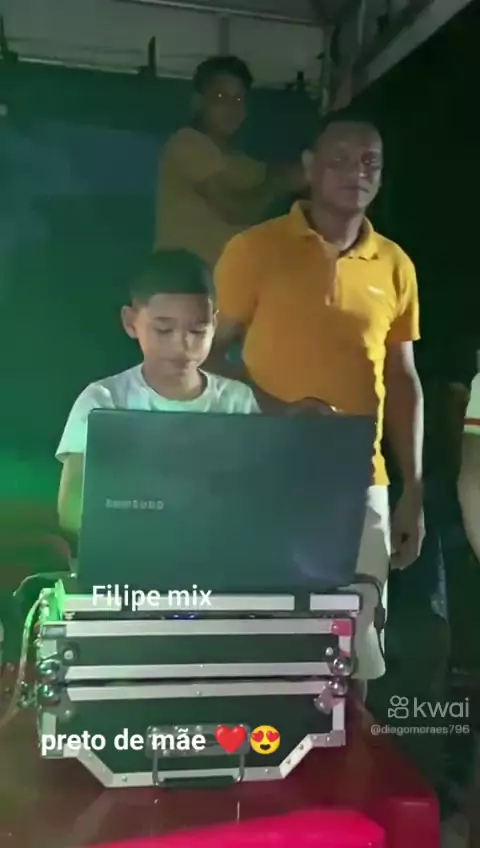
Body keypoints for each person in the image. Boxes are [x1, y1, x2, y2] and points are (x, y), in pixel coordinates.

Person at [207, 111, 425, 687]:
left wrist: (413, 489)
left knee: (356, 648)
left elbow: (403, 378)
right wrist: (280, 411)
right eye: (340, 160)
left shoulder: (395, 264)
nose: (357, 173)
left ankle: (350, 743)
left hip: (362, 480)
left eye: (370, 162)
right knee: (266, 636)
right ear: (309, 168)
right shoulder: (254, 249)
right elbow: (204, 356)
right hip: (265, 473)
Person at [56, 249, 260, 536]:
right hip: (128, 546)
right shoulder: (103, 399)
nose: (182, 344)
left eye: (198, 330)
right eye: (164, 330)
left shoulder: (237, 402)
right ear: (131, 322)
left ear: (214, 324)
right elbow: (71, 508)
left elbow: (255, 493)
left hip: (214, 545)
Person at [155, 55, 304, 267]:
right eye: (220, 96)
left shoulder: (240, 163)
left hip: (227, 281)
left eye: (238, 99)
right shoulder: (187, 143)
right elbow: (234, 210)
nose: (231, 107)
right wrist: (275, 184)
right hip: (183, 281)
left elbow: (289, 174)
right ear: (198, 101)